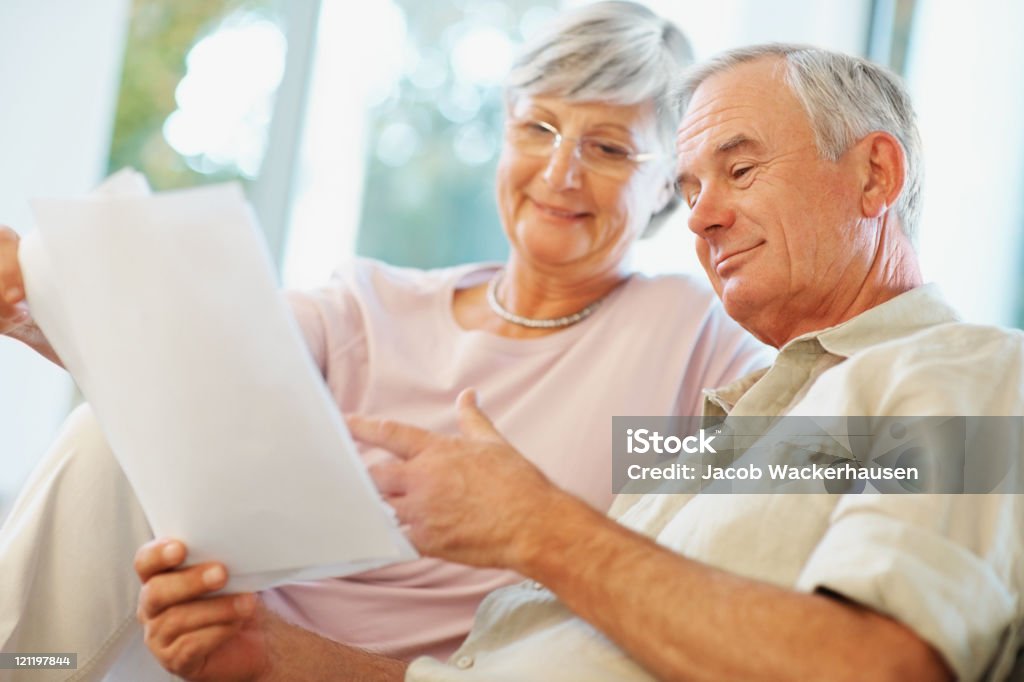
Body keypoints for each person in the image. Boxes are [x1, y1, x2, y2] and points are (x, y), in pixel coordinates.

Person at [133, 43, 1024, 681]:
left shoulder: (958, 374)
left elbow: (880, 668)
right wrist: (271, 658)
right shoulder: (731, 419)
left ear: (875, 177)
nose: (706, 217)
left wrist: (535, 527)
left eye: (740, 171)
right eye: (692, 189)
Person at [0, 3, 770, 680]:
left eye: (607, 148)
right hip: (220, 646)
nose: (560, 172)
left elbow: (868, 458)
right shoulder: (369, 307)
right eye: (538, 127)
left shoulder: (688, 338)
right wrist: (44, 304)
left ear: (669, 183)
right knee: (108, 434)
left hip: (398, 675)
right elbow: (190, 367)